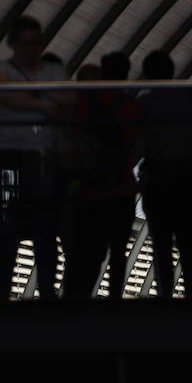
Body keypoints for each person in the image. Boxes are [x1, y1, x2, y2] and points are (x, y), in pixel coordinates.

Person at [0, 16, 63, 300]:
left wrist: (24, 98)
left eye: (35, 43)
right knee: (18, 227)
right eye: (26, 43)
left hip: (19, 157)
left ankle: (16, 291)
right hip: (16, 157)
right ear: (14, 44)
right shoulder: (6, 70)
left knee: (30, 227)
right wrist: (43, 102)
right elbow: (5, 95)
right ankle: (37, 291)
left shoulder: (6, 70)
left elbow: (8, 97)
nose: (31, 49)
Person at [65, 51, 144, 298]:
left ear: (102, 72)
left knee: (87, 248)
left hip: (90, 190)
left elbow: (73, 141)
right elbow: (140, 144)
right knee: (119, 251)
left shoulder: (85, 103)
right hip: (122, 188)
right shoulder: (130, 105)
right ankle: (114, 299)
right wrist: (125, 164)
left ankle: (76, 296)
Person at [138, 50, 192, 297]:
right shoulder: (189, 97)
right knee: (187, 239)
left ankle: (165, 293)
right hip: (185, 177)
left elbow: (140, 143)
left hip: (156, 178)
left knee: (161, 243)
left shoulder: (144, 103)